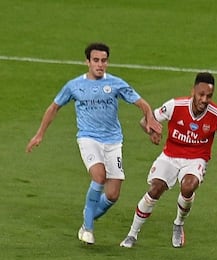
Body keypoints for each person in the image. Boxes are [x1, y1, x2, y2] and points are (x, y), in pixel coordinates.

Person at [27, 42, 161, 245]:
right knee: (99, 176)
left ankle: (86, 218)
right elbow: (54, 107)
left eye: (104, 61)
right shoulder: (74, 85)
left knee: (113, 194)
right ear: (87, 62)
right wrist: (39, 134)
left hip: (113, 142)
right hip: (88, 138)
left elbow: (142, 104)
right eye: (96, 60)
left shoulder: (116, 84)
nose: (100, 64)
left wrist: (150, 120)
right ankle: (88, 228)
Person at [119, 72, 217, 248]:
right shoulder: (175, 106)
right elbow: (145, 121)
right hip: (170, 156)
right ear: (193, 91)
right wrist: (152, 132)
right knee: (155, 189)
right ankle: (132, 234)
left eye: (209, 96)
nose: (204, 100)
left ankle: (179, 224)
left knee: (188, 186)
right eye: (201, 94)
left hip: (196, 159)